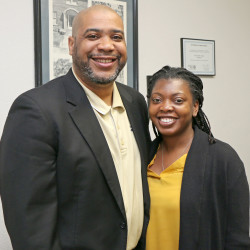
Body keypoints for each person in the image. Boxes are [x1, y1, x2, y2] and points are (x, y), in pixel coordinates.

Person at [0, 5, 151, 250]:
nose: (107, 45)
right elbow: (30, 224)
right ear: (71, 45)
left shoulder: (135, 102)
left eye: (116, 37)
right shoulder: (36, 110)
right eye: (93, 36)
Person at [146, 65, 250, 250]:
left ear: (195, 107)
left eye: (178, 100)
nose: (165, 107)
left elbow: (238, 239)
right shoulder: (142, 156)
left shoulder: (223, 160)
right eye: (157, 100)